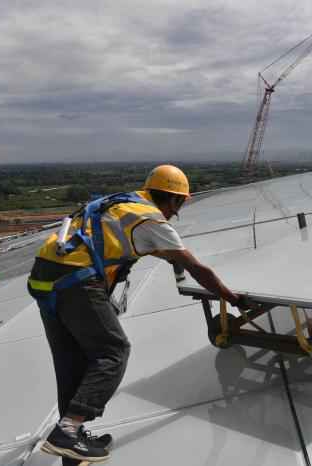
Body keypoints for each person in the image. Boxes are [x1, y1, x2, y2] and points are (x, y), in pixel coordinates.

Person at [27, 165, 249, 463]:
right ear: (173, 200)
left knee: (71, 362)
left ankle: (71, 446)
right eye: (179, 205)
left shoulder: (123, 203)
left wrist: (172, 260)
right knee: (114, 351)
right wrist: (230, 297)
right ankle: (68, 431)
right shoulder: (152, 219)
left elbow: (136, 246)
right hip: (76, 281)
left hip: (44, 278)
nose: (175, 213)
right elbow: (197, 268)